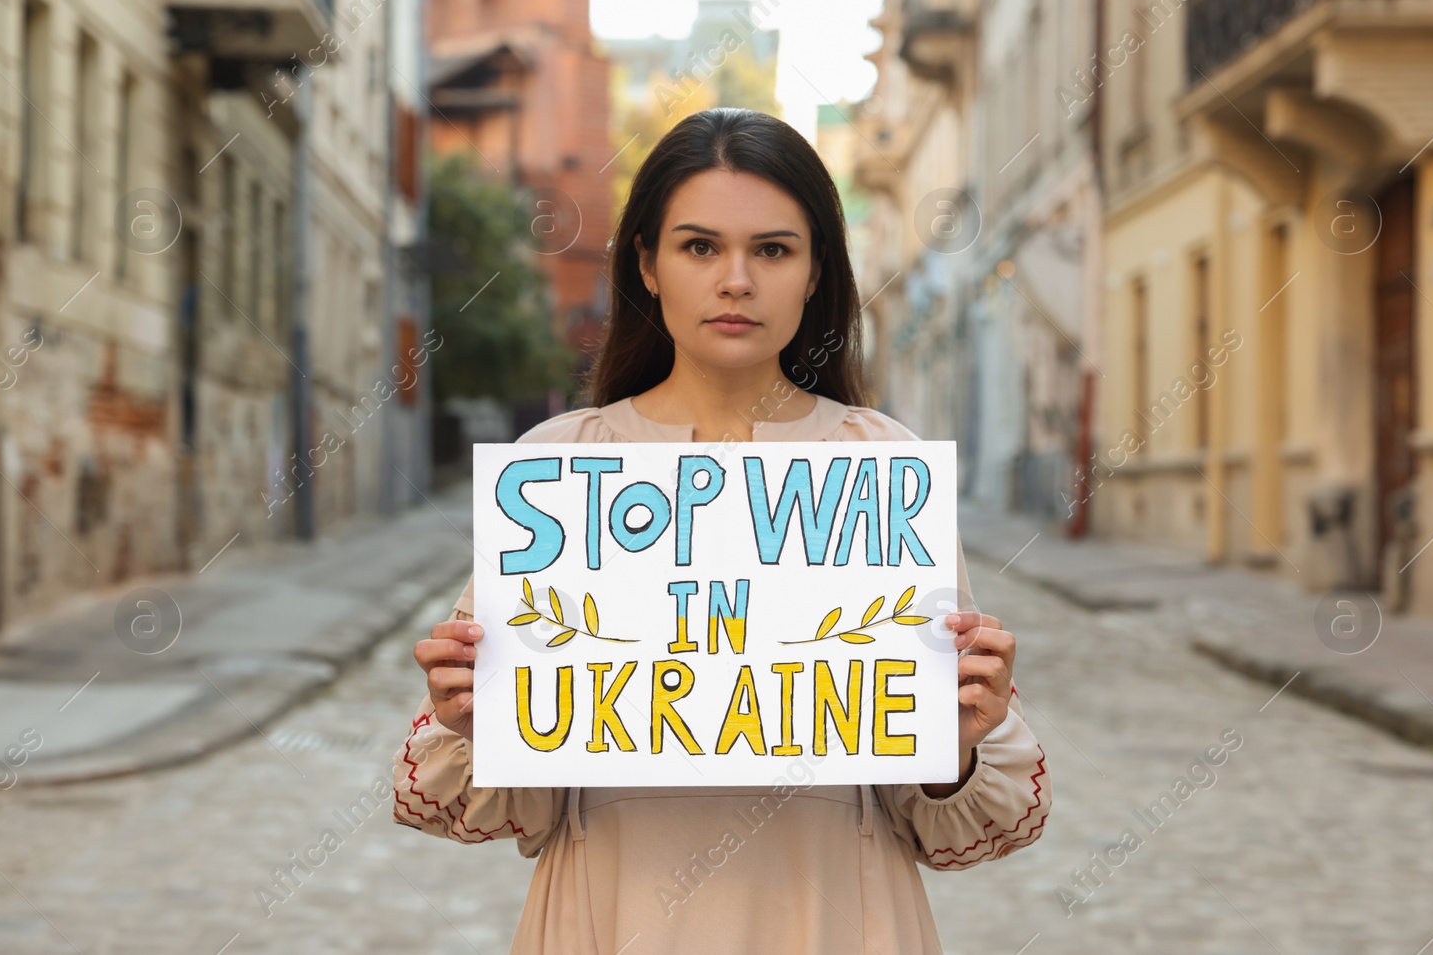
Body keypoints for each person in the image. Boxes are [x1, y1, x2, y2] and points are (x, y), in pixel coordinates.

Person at [392, 107, 1050, 953]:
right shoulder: (558, 471)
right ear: (648, 264)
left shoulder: (879, 466)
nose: (736, 279)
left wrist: (955, 742)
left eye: (773, 249)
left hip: (837, 917)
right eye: (700, 246)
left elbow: (964, 813)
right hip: (611, 913)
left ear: (816, 272)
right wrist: (473, 720)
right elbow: (489, 800)